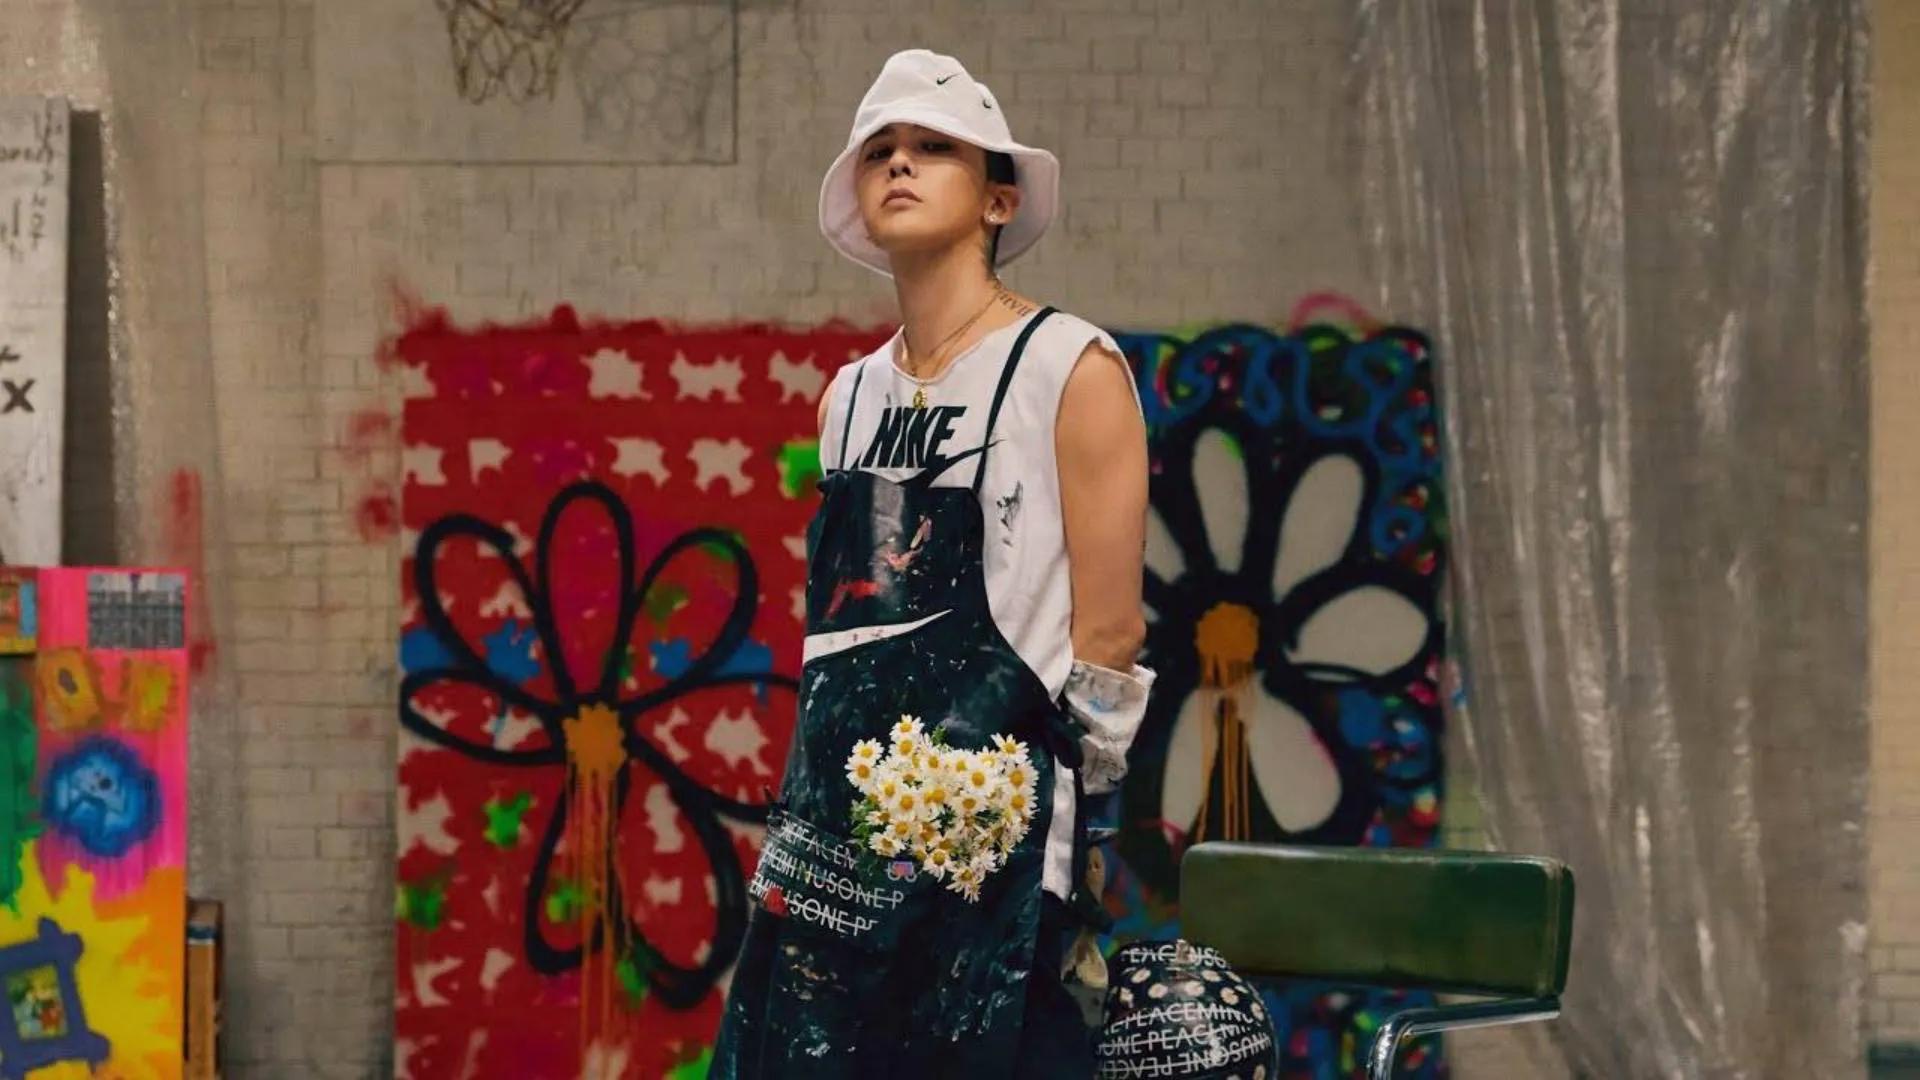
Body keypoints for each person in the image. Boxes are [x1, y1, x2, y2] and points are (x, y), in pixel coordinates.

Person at [712, 48, 1155, 1078]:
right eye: (881, 151)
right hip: (833, 844)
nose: (899, 163)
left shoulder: (1069, 367)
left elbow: (1110, 631)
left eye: (932, 147)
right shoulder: (846, 399)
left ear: (1000, 198)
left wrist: (1069, 823)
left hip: (988, 860)